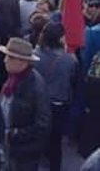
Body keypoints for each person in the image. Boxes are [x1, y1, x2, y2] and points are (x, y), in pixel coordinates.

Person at [0, 37, 51, 171]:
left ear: (23, 62)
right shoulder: (13, 79)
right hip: (9, 148)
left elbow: (42, 125)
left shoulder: (35, 86)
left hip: (24, 153)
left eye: (10, 58)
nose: (5, 60)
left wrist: (13, 134)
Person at [33, 22, 77, 171]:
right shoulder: (69, 60)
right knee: (55, 142)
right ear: (60, 38)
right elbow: (73, 81)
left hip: (38, 102)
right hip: (58, 103)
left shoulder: (36, 55)